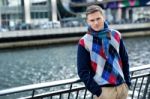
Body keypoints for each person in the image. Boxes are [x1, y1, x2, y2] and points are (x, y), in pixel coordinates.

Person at [77, 5, 131, 99]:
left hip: (122, 89)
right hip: (104, 92)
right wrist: (97, 91)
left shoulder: (116, 35)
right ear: (87, 21)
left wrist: (127, 82)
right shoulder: (84, 42)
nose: (96, 23)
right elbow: (82, 71)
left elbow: (125, 59)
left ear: (103, 17)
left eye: (98, 18)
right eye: (92, 20)